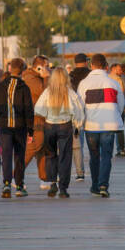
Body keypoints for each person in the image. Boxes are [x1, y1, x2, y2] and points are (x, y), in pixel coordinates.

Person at [76, 53, 125, 198]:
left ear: (91, 66)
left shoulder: (84, 84)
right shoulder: (113, 83)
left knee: (94, 156)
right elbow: (121, 104)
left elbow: (80, 106)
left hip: (91, 125)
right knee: (106, 156)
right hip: (109, 124)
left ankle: (95, 185)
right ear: (106, 66)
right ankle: (104, 185)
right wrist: (115, 115)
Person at [0, 57, 35, 199]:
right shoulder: (24, 88)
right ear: (22, 71)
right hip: (20, 127)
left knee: (6, 155)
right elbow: (29, 111)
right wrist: (30, 131)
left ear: (9, 69)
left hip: (3, 127)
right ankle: (19, 186)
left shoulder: (0, 86)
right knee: (19, 156)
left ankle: (6, 184)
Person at [34, 66, 85, 198]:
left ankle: (52, 183)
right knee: (65, 157)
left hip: (49, 126)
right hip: (65, 125)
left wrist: (47, 115)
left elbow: (38, 109)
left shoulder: (47, 92)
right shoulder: (70, 93)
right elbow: (79, 110)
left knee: (50, 155)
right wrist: (77, 126)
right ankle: (63, 188)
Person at [22, 56, 50, 188]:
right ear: (40, 67)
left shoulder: (35, 77)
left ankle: (44, 178)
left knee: (43, 148)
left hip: (42, 117)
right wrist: (46, 77)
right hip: (34, 118)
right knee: (34, 145)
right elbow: (44, 93)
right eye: (47, 66)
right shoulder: (30, 78)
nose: (49, 69)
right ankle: (14, 175)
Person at [69, 53, 89, 183]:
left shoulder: (70, 76)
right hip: (91, 110)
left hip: (76, 111)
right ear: (86, 62)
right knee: (93, 144)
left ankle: (79, 172)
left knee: (77, 144)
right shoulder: (90, 74)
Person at [110, 63, 125, 157]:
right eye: (119, 69)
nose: (121, 71)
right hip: (118, 107)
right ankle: (121, 149)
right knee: (119, 129)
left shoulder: (109, 78)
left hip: (111, 108)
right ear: (113, 69)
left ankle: (117, 149)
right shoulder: (117, 80)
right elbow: (121, 95)